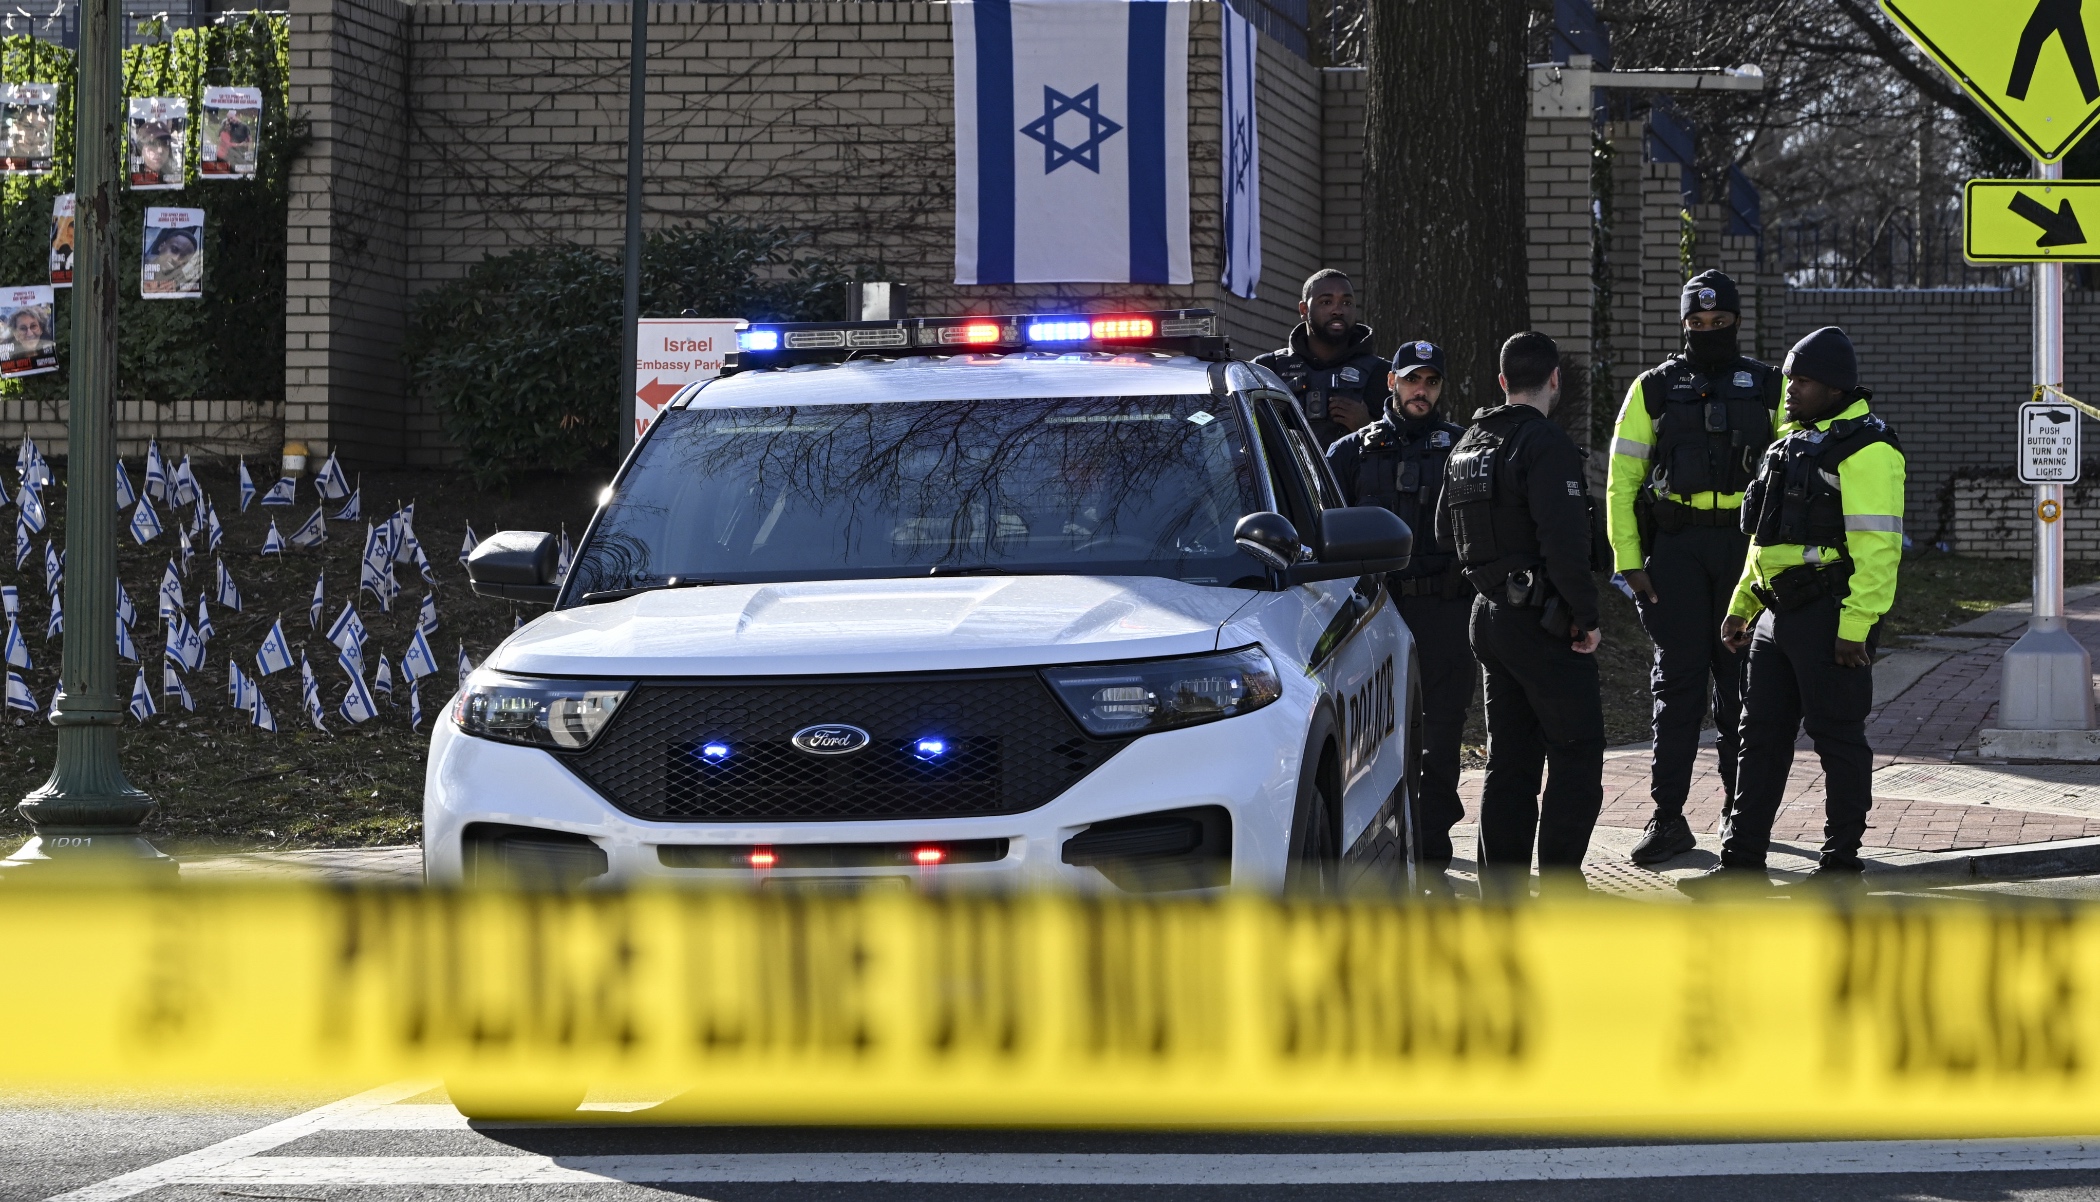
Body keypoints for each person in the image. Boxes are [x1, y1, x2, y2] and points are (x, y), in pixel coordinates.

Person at [1679, 327, 1904, 894]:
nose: (1790, 390)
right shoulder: (1788, 445)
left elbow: (1880, 550)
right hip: (1776, 618)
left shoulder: (1868, 449)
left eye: (1802, 381)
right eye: (1789, 378)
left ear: (1834, 386)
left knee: (1837, 737)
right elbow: (1765, 541)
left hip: (1830, 616)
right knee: (1758, 740)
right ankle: (1740, 865)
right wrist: (1741, 607)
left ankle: (1839, 866)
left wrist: (1857, 627)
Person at [1605, 270, 1782, 866]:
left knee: (1741, 690)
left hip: (1743, 552)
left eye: (1720, 323)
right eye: (1697, 324)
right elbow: (1622, 482)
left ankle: (1741, 816)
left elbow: (1790, 480)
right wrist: (1630, 563)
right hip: (1675, 552)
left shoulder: (1767, 386)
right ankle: (1668, 817)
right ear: (1682, 325)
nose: (1708, 331)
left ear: (1736, 322)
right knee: (1678, 689)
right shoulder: (1653, 389)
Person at [1437, 331, 1605, 890]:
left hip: (1488, 617)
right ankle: (1560, 887)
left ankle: (1501, 896)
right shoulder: (1544, 443)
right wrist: (1586, 615)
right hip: (1542, 622)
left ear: (1503, 381)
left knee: (1509, 761)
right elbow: (1565, 541)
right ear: (1555, 379)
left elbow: (1444, 532)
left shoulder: (1469, 442)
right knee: (1577, 751)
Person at [1326, 339, 1473, 876]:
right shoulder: (1351, 453)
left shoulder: (1462, 450)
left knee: (1442, 730)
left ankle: (1431, 840)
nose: (1422, 391)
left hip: (1445, 613)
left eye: (1431, 382)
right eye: (1413, 380)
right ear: (1392, 383)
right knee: (1374, 731)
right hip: (1374, 615)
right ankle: (1379, 836)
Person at [1253, 269, 1390, 450]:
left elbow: (1404, 447)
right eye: (1326, 302)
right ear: (1304, 309)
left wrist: (1366, 426)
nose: (1338, 310)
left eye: (1347, 302)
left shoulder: (1381, 373)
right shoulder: (1267, 368)